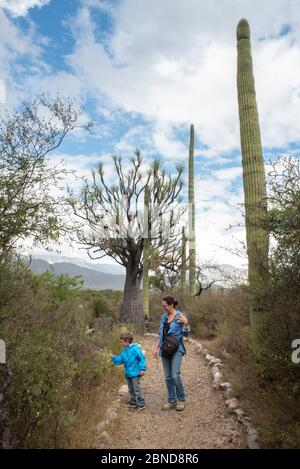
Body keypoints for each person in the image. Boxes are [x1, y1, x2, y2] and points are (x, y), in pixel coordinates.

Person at [154, 296, 190, 411]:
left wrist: (186, 324)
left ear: (171, 305)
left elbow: (185, 335)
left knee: (175, 375)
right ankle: (171, 401)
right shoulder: (163, 317)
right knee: (168, 377)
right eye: (162, 305)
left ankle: (181, 399)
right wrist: (156, 348)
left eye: (165, 305)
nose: (163, 307)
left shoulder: (180, 317)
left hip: (177, 349)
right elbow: (160, 334)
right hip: (165, 349)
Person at [110, 332, 147, 411]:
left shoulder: (135, 349)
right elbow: (120, 359)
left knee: (136, 388)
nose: (121, 343)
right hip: (128, 373)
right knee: (131, 388)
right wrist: (113, 357)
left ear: (127, 341)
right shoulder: (124, 351)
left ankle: (141, 403)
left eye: (122, 342)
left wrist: (142, 369)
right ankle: (133, 401)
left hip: (135, 373)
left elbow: (142, 358)